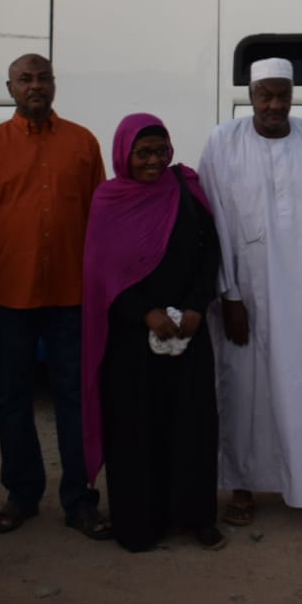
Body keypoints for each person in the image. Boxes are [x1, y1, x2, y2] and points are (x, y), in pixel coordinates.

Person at [0, 54, 110, 539]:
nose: (35, 86)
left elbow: (101, 224)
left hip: (71, 298)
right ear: (10, 88)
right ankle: (21, 494)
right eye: (25, 79)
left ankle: (80, 500)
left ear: (55, 85)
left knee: (76, 399)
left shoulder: (83, 143)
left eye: (43, 78)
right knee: (12, 399)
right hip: (6, 298)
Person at [199, 58, 302, 526]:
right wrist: (229, 295)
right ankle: (242, 487)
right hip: (246, 293)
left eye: (283, 95)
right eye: (265, 94)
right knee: (245, 390)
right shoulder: (223, 142)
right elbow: (213, 222)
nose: (274, 104)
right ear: (250, 95)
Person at [81, 114, 225, 552]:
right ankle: (140, 522)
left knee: (192, 425)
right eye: (142, 153)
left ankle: (197, 516)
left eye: (160, 151)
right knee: (136, 429)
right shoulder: (108, 200)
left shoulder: (185, 189)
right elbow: (102, 274)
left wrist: (196, 307)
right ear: (124, 154)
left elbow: (209, 253)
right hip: (131, 340)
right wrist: (146, 314)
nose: (153, 161)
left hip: (188, 330)